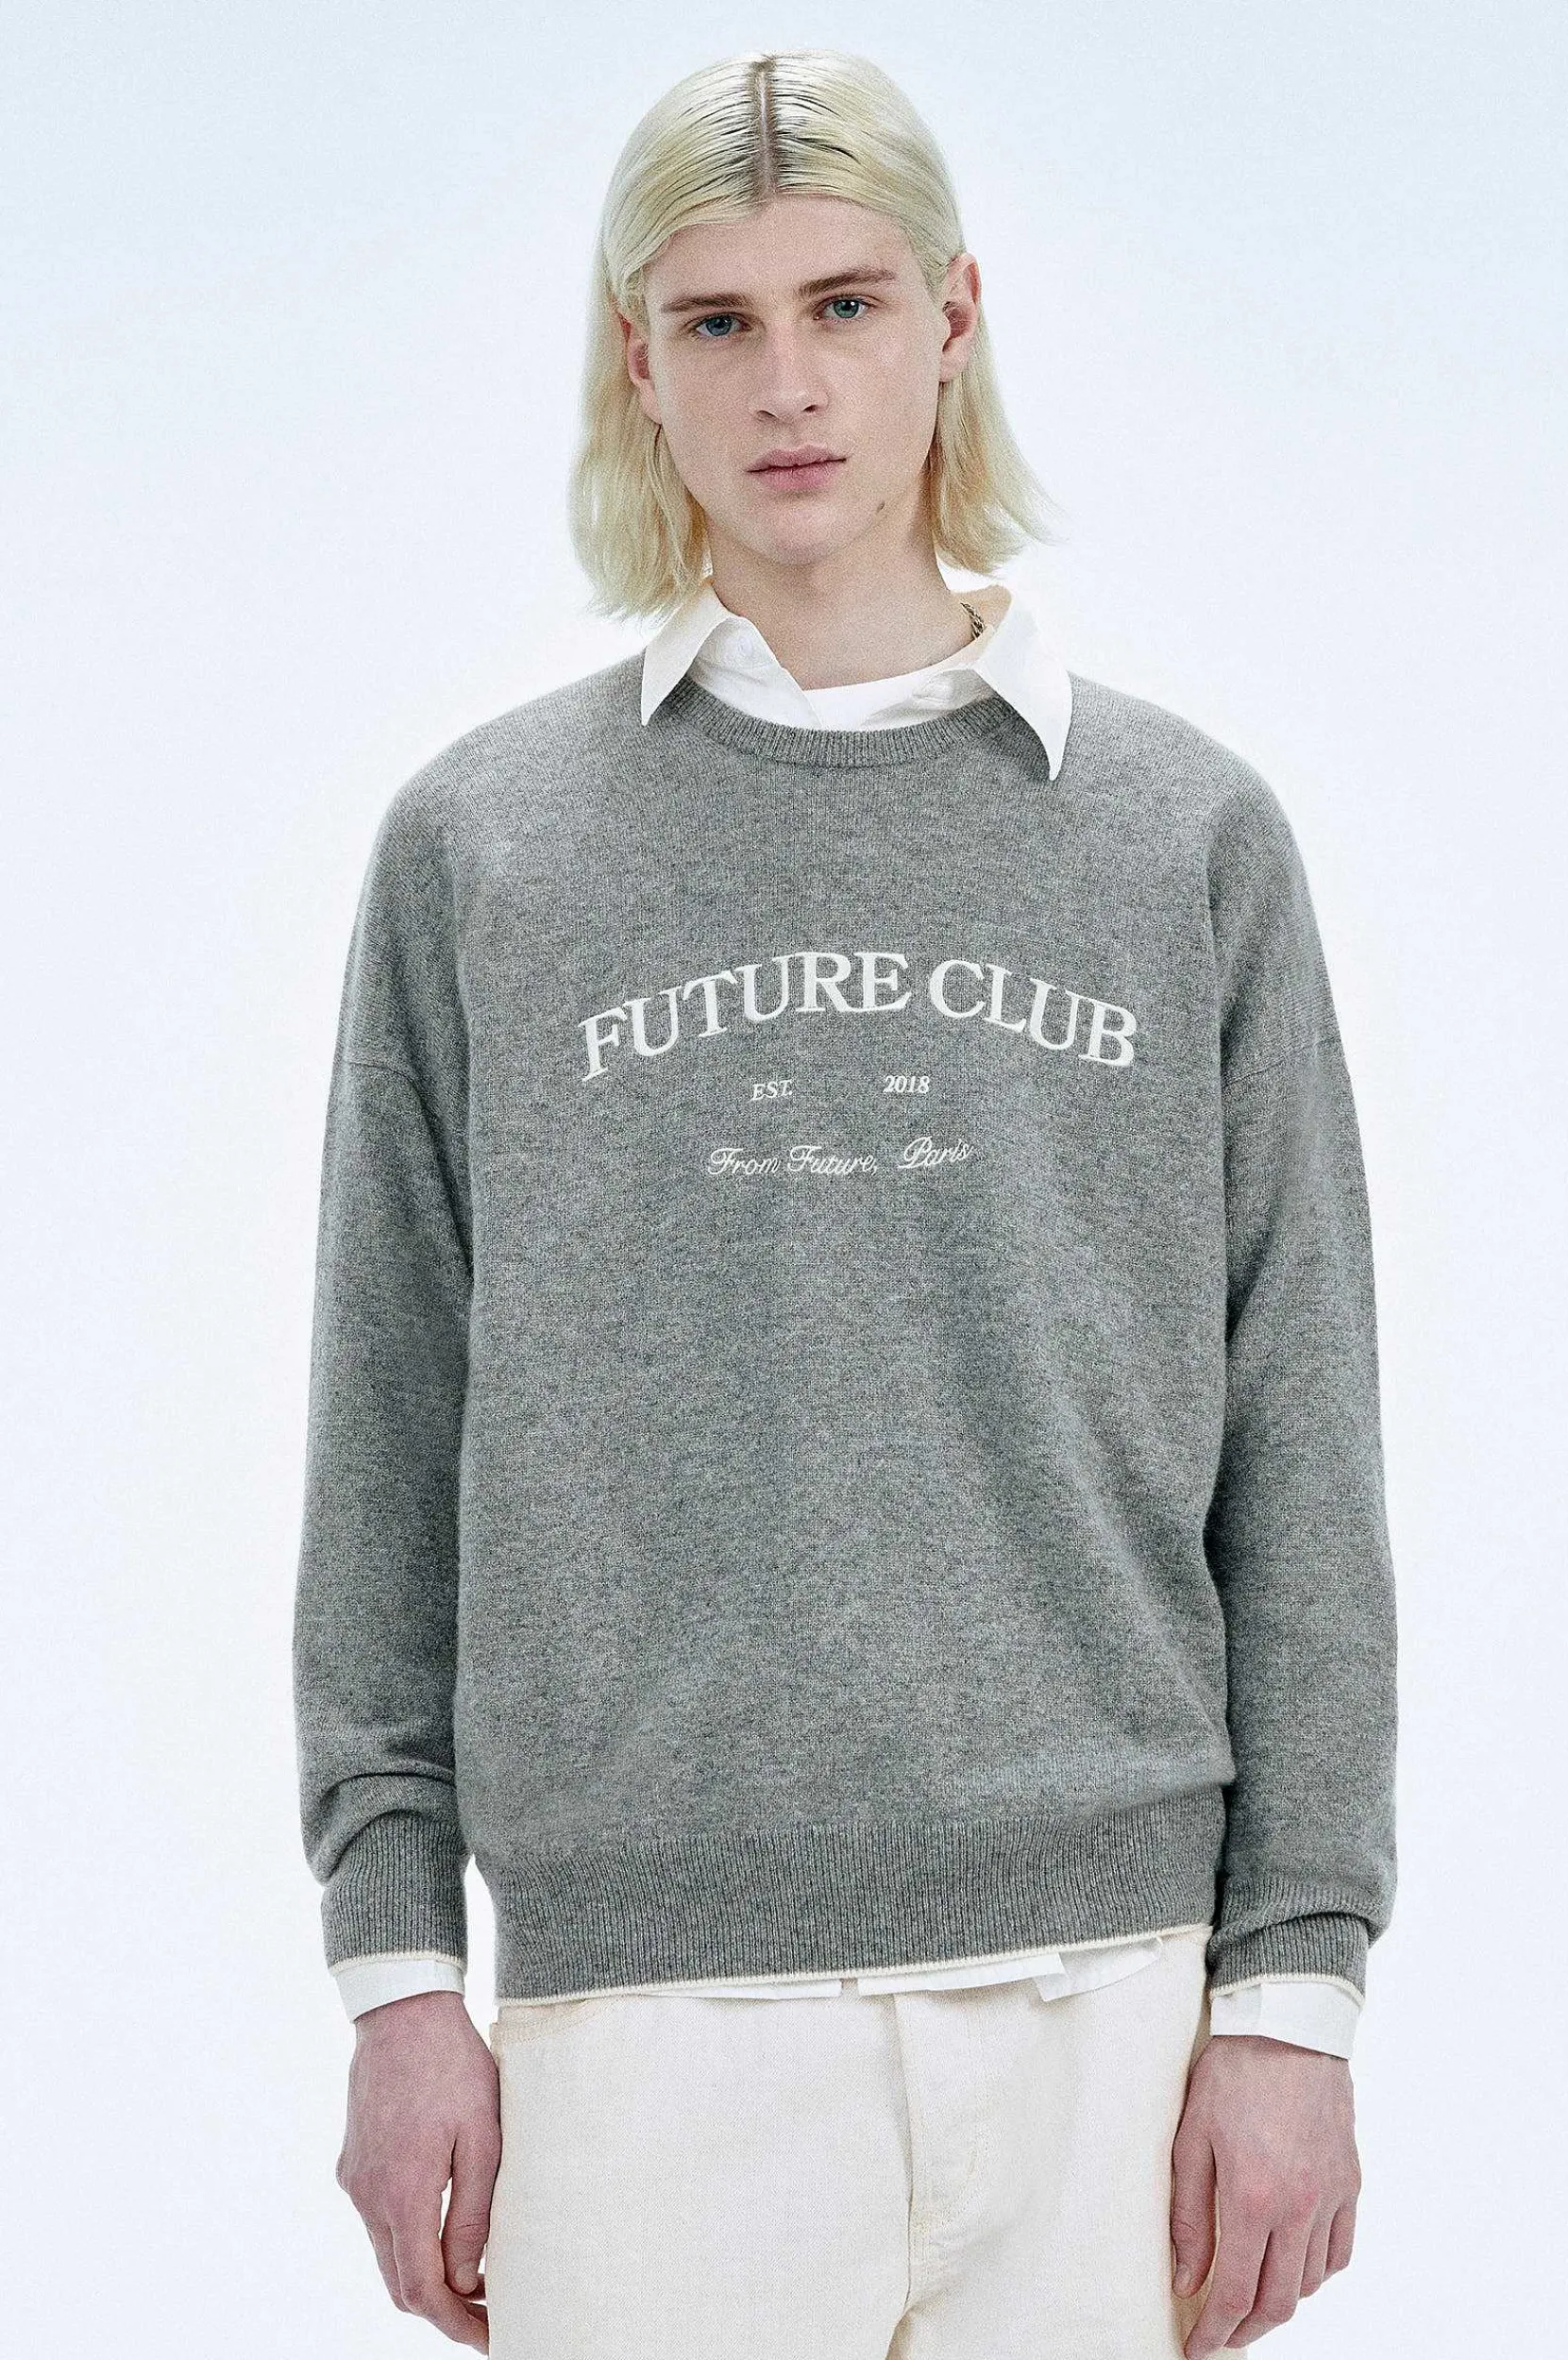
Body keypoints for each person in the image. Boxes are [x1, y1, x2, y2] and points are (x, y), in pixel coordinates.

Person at [293, 46, 1398, 2360]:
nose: (785, 384)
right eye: (716, 320)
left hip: (1109, 2002)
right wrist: (397, 1973)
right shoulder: (489, 851)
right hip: (640, 2025)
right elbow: (390, 1426)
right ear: (638, 362)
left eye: (844, 305)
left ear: (951, 320)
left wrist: (1292, 1992)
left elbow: (1301, 1426)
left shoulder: (1178, 838)